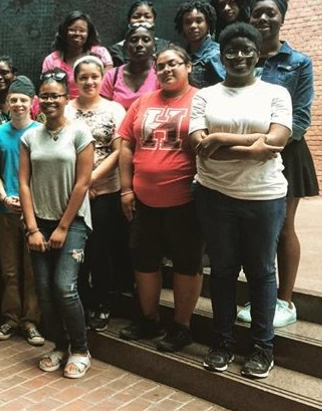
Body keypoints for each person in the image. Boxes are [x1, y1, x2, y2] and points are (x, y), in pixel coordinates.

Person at [190, 22, 292, 378]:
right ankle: (222, 343)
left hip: (264, 197)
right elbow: (199, 149)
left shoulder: (276, 94)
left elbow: (275, 143)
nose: (238, 55)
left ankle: (263, 347)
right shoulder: (205, 96)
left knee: (262, 272)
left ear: (258, 52)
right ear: (221, 56)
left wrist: (219, 136)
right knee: (222, 271)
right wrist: (252, 146)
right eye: (230, 50)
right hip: (214, 195)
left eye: (246, 48)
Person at [237, 0, 318, 328]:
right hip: (247, 152)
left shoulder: (298, 62)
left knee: (282, 227)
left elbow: (300, 118)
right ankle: (259, 296)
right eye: (258, 13)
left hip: (285, 153)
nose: (264, 19)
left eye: (271, 13)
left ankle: (284, 302)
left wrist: (268, 145)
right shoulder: (246, 59)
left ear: (282, 17)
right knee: (254, 230)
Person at [117, 46, 203, 353]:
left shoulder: (201, 100)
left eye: (173, 64)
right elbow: (126, 145)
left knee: (186, 263)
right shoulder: (143, 102)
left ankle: (181, 327)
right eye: (161, 66)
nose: (166, 70)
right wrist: (126, 190)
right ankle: (149, 319)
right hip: (144, 201)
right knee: (144, 261)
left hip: (185, 201)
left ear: (188, 66)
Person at [19, 69, 95, 379]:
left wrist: (63, 227)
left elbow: (82, 183)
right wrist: (33, 228)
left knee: (64, 287)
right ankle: (58, 345)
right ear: (39, 99)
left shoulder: (79, 132)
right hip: (40, 223)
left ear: (67, 98)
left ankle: (80, 348)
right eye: (45, 95)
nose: (50, 100)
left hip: (72, 222)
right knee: (44, 290)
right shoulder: (29, 136)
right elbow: (23, 183)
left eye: (56, 95)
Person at [66, 56, 127, 332]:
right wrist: (79, 184)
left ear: (102, 77)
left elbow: (119, 151)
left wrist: (91, 179)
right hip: (71, 192)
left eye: (94, 76)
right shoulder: (65, 110)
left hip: (105, 190)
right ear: (75, 80)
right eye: (83, 77)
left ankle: (102, 304)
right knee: (75, 250)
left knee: (100, 250)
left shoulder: (115, 110)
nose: (89, 81)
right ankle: (79, 302)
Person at [0, 76, 43, 346]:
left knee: (32, 268)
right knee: (9, 269)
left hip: (34, 211)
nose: (19, 104)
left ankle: (31, 321)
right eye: (14, 100)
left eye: (24, 100)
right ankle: (11, 317)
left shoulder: (41, 132)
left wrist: (28, 201)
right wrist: (3, 196)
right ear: (7, 103)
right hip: (5, 211)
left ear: (32, 103)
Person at [42, 11, 113, 100]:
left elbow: (107, 85)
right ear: (64, 32)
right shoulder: (51, 60)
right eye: (72, 30)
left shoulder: (100, 54)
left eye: (82, 31)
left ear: (88, 33)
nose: (77, 34)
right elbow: (47, 89)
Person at [100, 23, 159, 110]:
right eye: (134, 40)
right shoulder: (112, 76)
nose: (139, 44)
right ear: (126, 47)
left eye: (146, 40)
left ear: (154, 47)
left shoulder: (161, 74)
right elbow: (103, 111)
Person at [173, 0, 225, 88]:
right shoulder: (183, 54)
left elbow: (227, 86)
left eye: (199, 21)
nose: (193, 26)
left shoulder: (215, 54)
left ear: (208, 24)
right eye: (188, 22)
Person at [108, 0, 171, 66]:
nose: (142, 19)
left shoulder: (165, 46)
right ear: (129, 21)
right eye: (136, 17)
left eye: (147, 16)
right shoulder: (116, 50)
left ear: (154, 21)